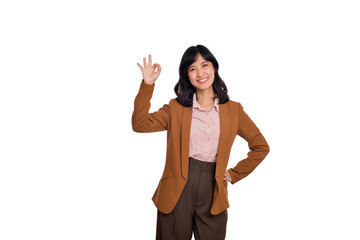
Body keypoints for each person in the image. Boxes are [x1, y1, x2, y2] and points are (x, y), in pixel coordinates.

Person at [132, 45, 270, 240]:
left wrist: (234, 174)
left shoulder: (234, 110)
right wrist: (147, 85)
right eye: (193, 68)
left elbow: (261, 147)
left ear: (214, 68)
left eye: (205, 65)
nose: (200, 73)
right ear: (186, 75)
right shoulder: (175, 108)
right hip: (176, 189)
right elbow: (140, 124)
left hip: (213, 188)